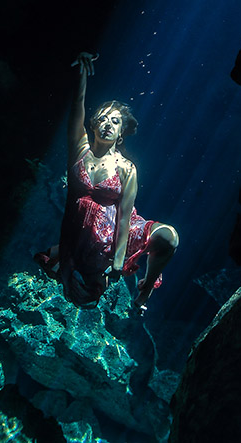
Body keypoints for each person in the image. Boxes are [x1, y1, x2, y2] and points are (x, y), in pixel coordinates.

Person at [34, 52, 179, 313]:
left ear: (122, 131)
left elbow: (124, 217)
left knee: (169, 239)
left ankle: (144, 290)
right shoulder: (79, 149)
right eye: (102, 118)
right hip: (83, 242)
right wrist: (81, 77)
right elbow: (77, 104)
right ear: (93, 124)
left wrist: (119, 261)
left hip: (116, 236)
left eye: (115, 121)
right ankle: (61, 253)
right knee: (86, 296)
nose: (107, 124)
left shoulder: (127, 168)